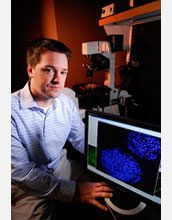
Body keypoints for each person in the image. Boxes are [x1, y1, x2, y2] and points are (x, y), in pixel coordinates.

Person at [11, 38, 114, 219]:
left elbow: (81, 138)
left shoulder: (66, 103)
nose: (58, 80)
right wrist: (74, 192)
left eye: (63, 72)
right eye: (49, 70)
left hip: (61, 166)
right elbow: (22, 173)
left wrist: (106, 161)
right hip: (23, 185)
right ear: (30, 70)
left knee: (105, 190)